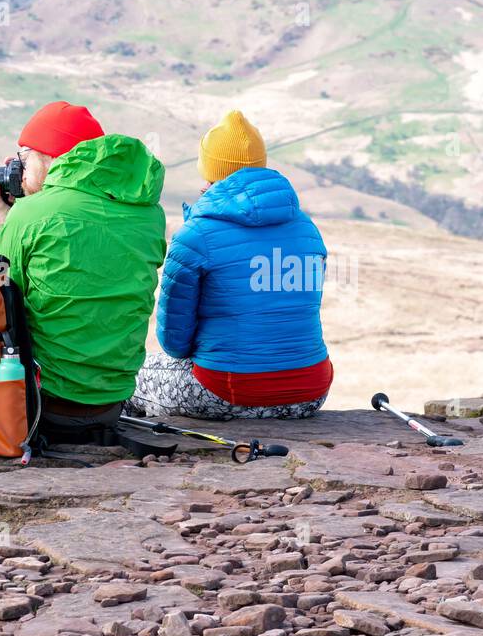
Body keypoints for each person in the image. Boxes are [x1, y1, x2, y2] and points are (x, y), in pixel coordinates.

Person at [129, 109, 332, 420]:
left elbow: (174, 342)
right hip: (311, 390)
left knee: (129, 376)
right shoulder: (307, 228)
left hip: (229, 389)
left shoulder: (196, 235)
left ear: (208, 169)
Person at [0, 100, 166, 440]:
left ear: (50, 157)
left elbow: (2, 294)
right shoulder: (149, 213)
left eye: (25, 159)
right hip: (112, 401)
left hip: (47, 405)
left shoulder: (31, 215)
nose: (20, 173)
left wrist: (7, 221)